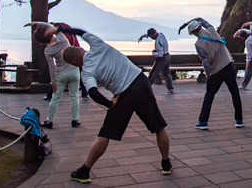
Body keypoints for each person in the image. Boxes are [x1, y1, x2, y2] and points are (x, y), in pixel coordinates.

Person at [57, 25, 171, 182]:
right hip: (141, 81)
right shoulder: (98, 44)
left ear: (74, 62)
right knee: (158, 126)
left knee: (105, 133)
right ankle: (166, 163)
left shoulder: (87, 72)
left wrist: (110, 105)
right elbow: (81, 32)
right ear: (81, 48)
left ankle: (84, 171)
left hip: (125, 94)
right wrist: (61, 28)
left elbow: (93, 93)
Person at [183, 18, 243, 130]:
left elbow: (205, 62)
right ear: (200, 26)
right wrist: (193, 20)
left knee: (209, 96)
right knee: (235, 93)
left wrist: (208, 75)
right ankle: (239, 120)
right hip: (228, 65)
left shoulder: (198, 44)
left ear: (193, 32)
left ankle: (203, 121)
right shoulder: (211, 30)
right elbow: (203, 20)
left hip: (216, 71)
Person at [26, 22, 81, 128]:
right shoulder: (62, 38)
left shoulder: (48, 50)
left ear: (41, 41)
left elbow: (52, 67)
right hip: (74, 71)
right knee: (74, 97)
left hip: (61, 74)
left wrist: (53, 82)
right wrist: (37, 23)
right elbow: (50, 27)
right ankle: (75, 120)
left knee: (55, 98)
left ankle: (49, 121)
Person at [44, 22, 88, 101]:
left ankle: (50, 94)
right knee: (80, 76)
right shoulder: (72, 34)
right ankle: (85, 94)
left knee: (58, 76)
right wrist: (57, 24)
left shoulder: (63, 37)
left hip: (69, 57)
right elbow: (66, 26)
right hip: (78, 56)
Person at [139, 28, 174, 93]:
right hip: (167, 55)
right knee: (166, 73)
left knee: (154, 72)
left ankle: (147, 87)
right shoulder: (161, 34)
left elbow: (160, 54)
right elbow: (161, 49)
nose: (151, 38)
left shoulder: (158, 42)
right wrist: (143, 36)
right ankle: (170, 88)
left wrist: (154, 53)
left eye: (151, 37)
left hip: (162, 58)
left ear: (153, 35)